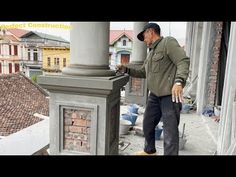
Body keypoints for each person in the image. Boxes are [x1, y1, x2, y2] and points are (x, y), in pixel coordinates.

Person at [116, 23, 190, 155]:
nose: (144, 40)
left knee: (170, 132)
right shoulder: (151, 54)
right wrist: (126, 69)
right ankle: (149, 151)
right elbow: (143, 72)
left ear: (150, 32)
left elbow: (183, 61)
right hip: (154, 96)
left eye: (144, 36)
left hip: (169, 96)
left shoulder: (168, 42)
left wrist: (179, 82)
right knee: (147, 124)